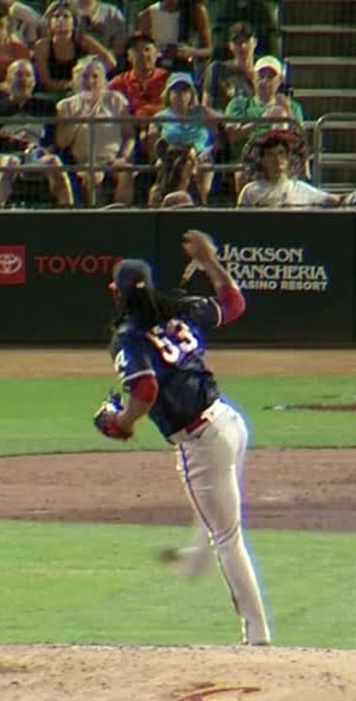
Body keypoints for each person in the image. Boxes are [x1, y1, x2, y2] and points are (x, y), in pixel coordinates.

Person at [98, 231, 273, 647]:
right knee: (220, 512)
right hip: (230, 421)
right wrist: (211, 263)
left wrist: (122, 423)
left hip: (200, 440)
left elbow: (144, 391)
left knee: (227, 538)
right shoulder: (180, 307)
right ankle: (195, 559)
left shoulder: (127, 336)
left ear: (114, 292)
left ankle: (258, 636)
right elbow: (234, 304)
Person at [0, 58, 76, 208]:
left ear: (34, 81)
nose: (24, 80)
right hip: (3, 156)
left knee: (54, 162)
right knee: (10, 162)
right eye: (18, 75)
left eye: (28, 75)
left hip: (36, 156)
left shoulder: (46, 107)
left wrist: (44, 151)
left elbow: (53, 141)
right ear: (8, 80)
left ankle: (68, 210)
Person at [55, 55, 135, 206]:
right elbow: (62, 142)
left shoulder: (116, 100)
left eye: (95, 77)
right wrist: (79, 118)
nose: (90, 81)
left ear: (103, 80)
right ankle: (97, 215)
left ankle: (121, 213)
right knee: (93, 174)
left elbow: (129, 136)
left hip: (113, 159)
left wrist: (123, 157)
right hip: (84, 161)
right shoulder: (66, 106)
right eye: (84, 77)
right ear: (77, 80)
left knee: (127, 170)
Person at [151, 71, 216, 204]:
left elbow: (220, 132)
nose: (180, 95)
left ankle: (199, 205)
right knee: (176, 162)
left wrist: (208, 149)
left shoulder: (201, 113)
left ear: (191, 95)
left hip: (200, 155)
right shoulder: (160, 117)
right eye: (175, 91)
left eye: (185, 91)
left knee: (202, 166)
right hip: (170, 157)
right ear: (168, 94)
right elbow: (154, 145)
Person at [236, 129, 338, 208]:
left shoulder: (301, 189)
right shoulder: (251, 191)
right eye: (270, 155)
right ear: (262, 160)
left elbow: (335, 201)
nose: (277, 159)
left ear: (288, 158)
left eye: (281, 153)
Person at [33, 0, 116, 94]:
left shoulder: (83, 41)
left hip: (83, 93)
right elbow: (46, 82)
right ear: (50, 22)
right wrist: (71, 84)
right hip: (53, 95)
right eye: (56, 16)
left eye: (66, 16)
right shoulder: (41, 46)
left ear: (74, 21)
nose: (60, 20)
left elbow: (111, 62)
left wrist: (94, 75)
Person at [136, 0, 213, 74]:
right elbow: (139, 51)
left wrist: (190, 52)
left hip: (184, 70)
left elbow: (209, 51)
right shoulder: (149, 14)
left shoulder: (195, 10)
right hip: (157, 71)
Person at [202, 21, 259, 110]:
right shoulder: (218, 70)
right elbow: (206, 107)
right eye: (238, 42)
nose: (243, 46)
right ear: (230, 46)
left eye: (246, 41)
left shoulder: (263, 72)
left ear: (255, 42)